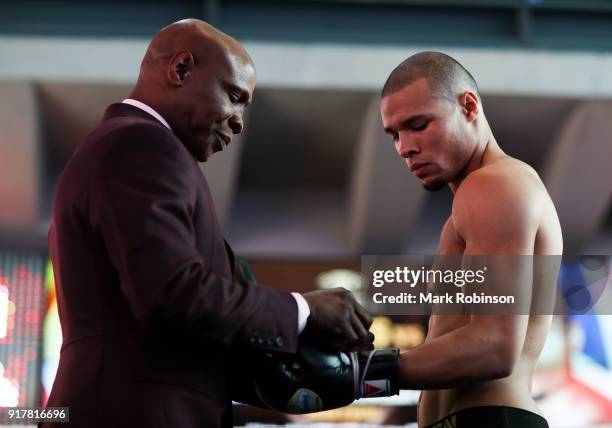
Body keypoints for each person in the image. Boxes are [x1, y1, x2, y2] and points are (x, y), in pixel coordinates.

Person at [44, 19, 373, 428]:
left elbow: (179, 330)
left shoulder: (129, 147)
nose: (238, 121)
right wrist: (303, 310)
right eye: (234, 97)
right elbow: (172, 293)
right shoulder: (141, 145)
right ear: (181, 70)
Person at [380, 52, 563, 427]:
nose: (404, 147)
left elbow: (494, 347)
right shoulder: (477, 200)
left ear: (468, 106)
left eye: (418, 124)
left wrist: (362, 371)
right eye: (395, 134)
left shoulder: (494, 184)